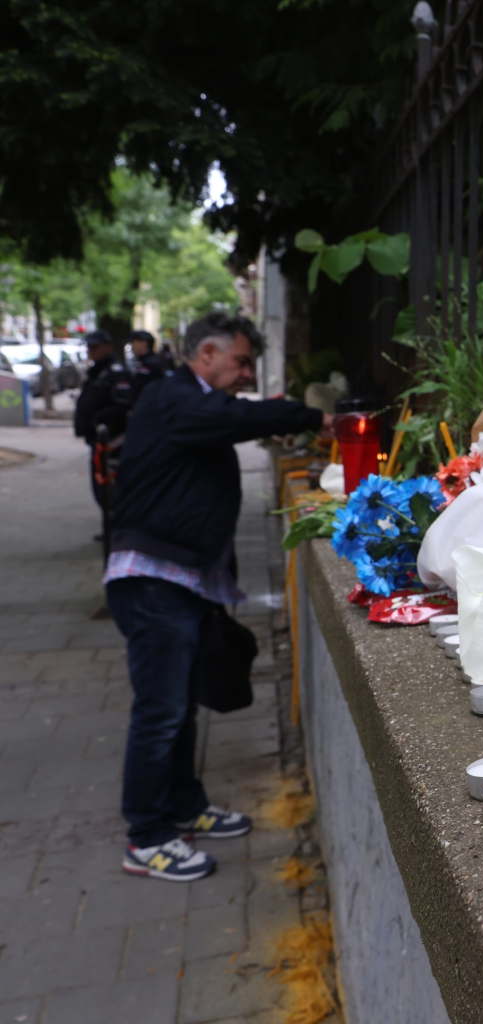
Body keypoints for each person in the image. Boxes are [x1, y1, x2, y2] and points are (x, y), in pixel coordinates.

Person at [105, 311, 333, 882]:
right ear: (204, 356)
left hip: (179, 581)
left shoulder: (186, 406)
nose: (244, 374)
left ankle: (184, 807)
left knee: (178, 709)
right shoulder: (172, 396)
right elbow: (233, 416)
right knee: (161, 713)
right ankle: (148, 837)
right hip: (153, 581)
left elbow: (227, 425)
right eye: (239, 362)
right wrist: (311, 417)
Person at [73, 329, 146, 543]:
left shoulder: (115, 371)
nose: (91, 351)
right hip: (99, 439)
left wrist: (99, 420)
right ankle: (114, 529)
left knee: (110, 488)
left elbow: (125, 402)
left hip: (112, 440)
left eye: (95, 347)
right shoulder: (98, 370)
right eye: (89, 347)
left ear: (107, 347)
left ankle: (121, 531)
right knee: (102, 489)